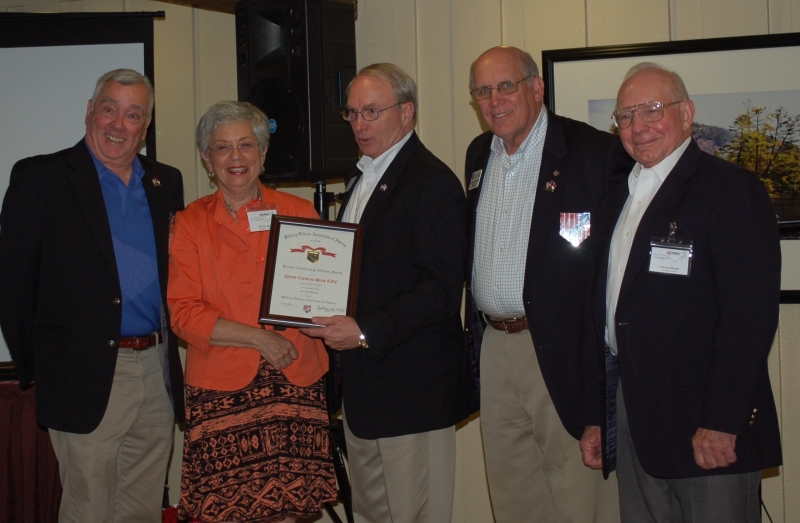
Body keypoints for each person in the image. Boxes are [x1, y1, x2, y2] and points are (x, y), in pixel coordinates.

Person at [580, 63, 782, 523]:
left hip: (705, 422)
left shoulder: (729, 189)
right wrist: (599, 416)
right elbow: (605, 314)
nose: (638, 126)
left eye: (652, 109)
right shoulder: (616, 199)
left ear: (686, 114)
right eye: (625, 116)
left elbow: (749, 318)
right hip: (632, 415)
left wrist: (722, 421)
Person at [0, 69, 185, 522]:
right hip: (82, 373)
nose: (118, 124)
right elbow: (13, 281)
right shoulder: (40, 177)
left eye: (133, 115)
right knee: (89, 510)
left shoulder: (166, 182)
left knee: (142, 510)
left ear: (145, 126)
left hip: (155, 370)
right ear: (89, 111)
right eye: (109, 109)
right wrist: (39, 367)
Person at [464, 46, 632, 523]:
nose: (494, 100)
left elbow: (611, 272)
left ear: (537, 88)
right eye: (482, 91)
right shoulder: (478, 154)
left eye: (506, 86)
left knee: (579, 498)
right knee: (513, 498)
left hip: (563, 350)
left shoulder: (593, 153)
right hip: (496, 346)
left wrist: (599, 386)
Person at [299, 63, 470, 523]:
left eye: (372, 111)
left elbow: (440, 290)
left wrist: (363, 331)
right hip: (364, 391)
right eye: (352, 113)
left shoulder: (431, 181)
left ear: (407, 112)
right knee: (371, 514)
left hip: (412, 393)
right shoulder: (360, 178)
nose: (360, 124)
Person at [168, 101, 337, 523]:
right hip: (221, 388)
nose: (236, 156)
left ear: (263, 151)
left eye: (246, 144)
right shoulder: (190, 223)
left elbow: (324, 296)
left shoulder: (301, 212)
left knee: (290, 511)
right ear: (207, 158)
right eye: (222, 147)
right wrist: (259, 338)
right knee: (230, 510)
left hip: (294, 377)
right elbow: (183, 314)